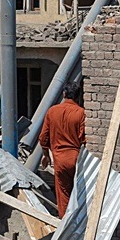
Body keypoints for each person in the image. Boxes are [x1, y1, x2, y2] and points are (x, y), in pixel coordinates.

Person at [38, 79, 87, 216]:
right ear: (78, 95)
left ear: (64, 93)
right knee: (80, 191)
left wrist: (46, 155)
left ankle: (65, 224)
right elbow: (84, 139)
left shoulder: (52, 111)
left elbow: (43, 138)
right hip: (76, 158)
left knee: (64, 194)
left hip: (60, 160)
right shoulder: (81, 113)